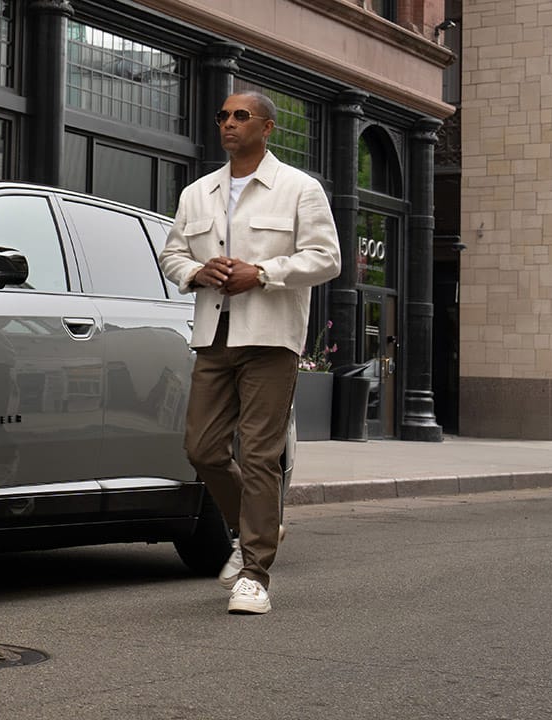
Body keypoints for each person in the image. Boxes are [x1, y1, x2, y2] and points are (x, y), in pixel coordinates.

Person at [158, 91, 340, 615]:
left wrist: (263, 273)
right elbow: (172, 254)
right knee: (203, 448)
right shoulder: (198, 193)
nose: (229, 124)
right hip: (214, 336)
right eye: (223, 116)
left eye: (242, 116)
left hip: (270, 339)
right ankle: (258, 525)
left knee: (260, 455)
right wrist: (198, 272)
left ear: (268, 127)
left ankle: (254, 574)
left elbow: (326, 259)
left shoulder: (299, 189)